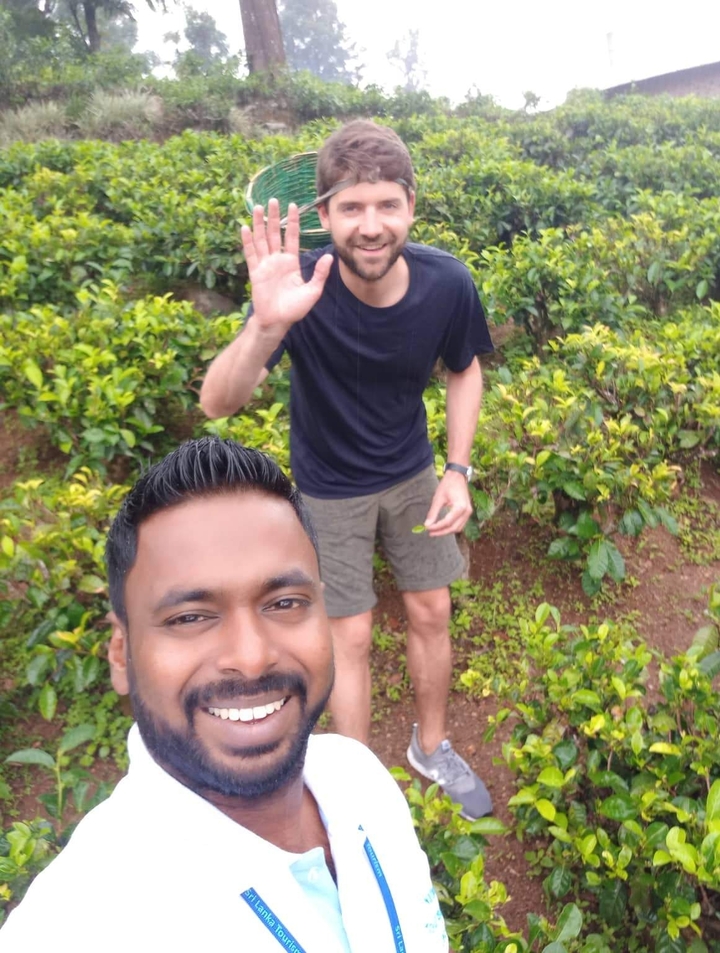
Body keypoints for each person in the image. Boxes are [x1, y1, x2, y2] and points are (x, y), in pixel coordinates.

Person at [1, 437, 448, 952]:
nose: (252, 655)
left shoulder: (358, 777)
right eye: (190, 617)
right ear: (121, 653)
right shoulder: (81, 921)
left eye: (284, 602)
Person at [200, 120, 495, 820]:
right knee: (350, 635)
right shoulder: (297, 285)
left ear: (411, 207)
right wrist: (266, 325)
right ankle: (359, 788)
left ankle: (431, 746)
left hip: (412, 473)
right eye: (352, 207)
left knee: (431, 608)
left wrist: (457, 469)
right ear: (324, 214)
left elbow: (466, 370)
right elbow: (218, 401)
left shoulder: (446, 282)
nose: (371, 225)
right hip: (330, 487)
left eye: (387, 205)